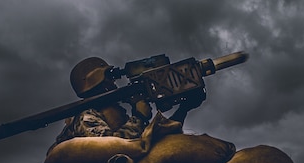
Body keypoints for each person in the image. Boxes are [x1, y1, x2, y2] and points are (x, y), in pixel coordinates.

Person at [54, 56, 198, 145]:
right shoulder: (86, 116)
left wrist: (184, 109)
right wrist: (139, 117)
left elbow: (149, 142)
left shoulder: (113, 112)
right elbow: (111, 148)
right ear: (98, 83)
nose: (114, 82)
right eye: (109, 78)